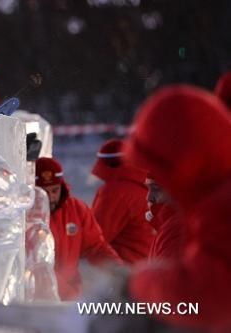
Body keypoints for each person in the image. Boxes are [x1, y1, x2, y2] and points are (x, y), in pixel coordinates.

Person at [125, 85, 231, 331]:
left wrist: (138, 284)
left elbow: (205, 296)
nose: (161, 193)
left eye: (164, 176)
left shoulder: (220, 207)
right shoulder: (211, 202)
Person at [35, 157, 122, 300]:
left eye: (54, 191)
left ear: (61, 186)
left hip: (71, 295)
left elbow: (96, 247)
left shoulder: (77, 210)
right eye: (44, 192)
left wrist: (117, 269)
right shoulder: (27, 216)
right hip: (40, 298)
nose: (50, 198)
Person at [91, 139, 154, 264]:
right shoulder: (145, 187)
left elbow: (94, 237)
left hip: (123, 270)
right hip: (146, 265)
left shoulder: (115, 192)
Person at [144, 175, 183, 260]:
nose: (148, 197)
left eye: (156, 189)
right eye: (148, 189)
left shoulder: (176, 229)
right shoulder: (166, 226)